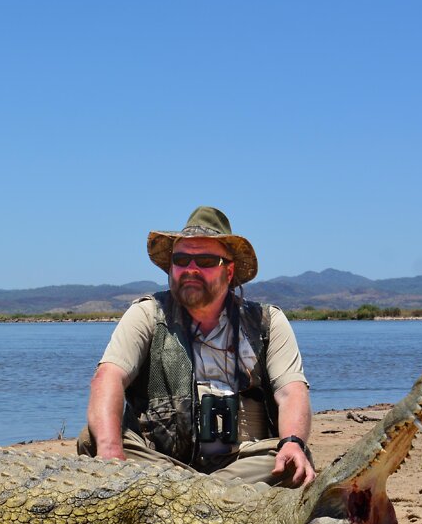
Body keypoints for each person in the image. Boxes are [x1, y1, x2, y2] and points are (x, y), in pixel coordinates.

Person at [77, 206, 315, 487]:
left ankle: (186, 493)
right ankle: (205, 495)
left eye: (204, 260)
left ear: (228, 271)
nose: (191, 269)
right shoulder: (148, 314)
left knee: (291, 461)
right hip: (161, 463)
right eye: (181, 259)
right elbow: (109, 377)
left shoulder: (267, 322)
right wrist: (110, 453)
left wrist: (292, 442)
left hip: (242, 465)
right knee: (94, 439)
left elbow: (291, 392)